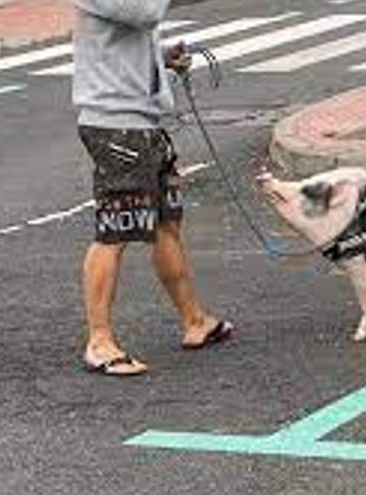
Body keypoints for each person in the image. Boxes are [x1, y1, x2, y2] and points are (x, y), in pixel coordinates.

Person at [73, 0, 233, 375]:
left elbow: (122, 39)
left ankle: (195, 322)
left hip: (141, 123)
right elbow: (145, 11)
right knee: (115, 232)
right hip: (115, 125)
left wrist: (161, 59)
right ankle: (99, 342)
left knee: (166, 223)